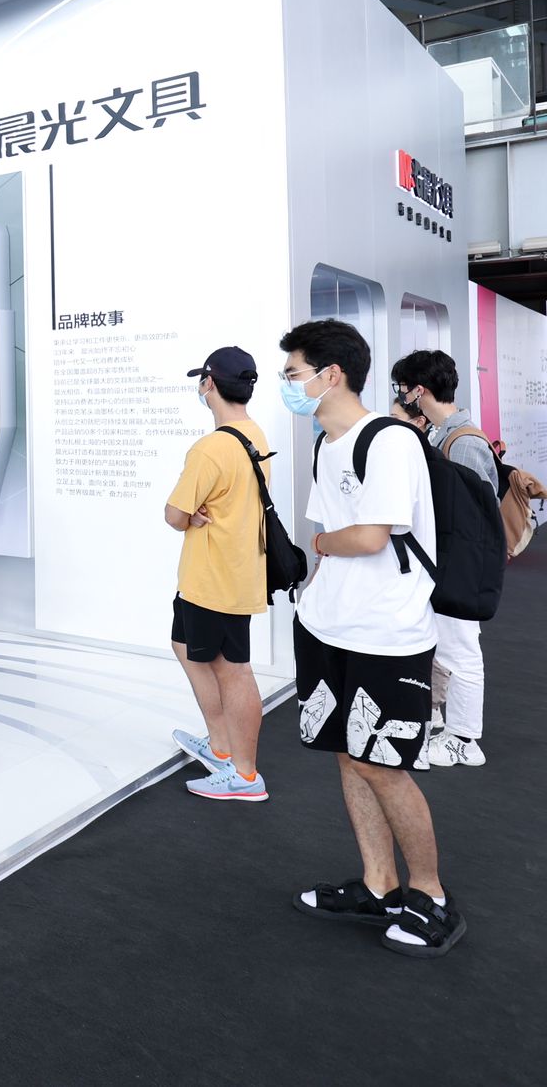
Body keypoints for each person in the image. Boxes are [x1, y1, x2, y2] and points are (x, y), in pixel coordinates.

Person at [281, 320, 463, 957]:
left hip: (387, 633)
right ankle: (379, 884)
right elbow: (333, 540)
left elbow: (365, 536)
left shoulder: (388, 441)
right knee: (347, 753)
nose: (287, 385)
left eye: (293, 373)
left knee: (383, 766)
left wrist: (322, 543)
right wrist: (319, 574)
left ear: (330, 375)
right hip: (328, 626)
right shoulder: (327, 445)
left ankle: (431, 897)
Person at [163, 346, 271, 801]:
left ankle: (245, 776)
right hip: (226, 571)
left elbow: (173, 515)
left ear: (209, 383)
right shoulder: (253, 434)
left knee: (234, 671)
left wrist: (189, 515)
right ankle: (221, 746)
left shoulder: (210, 449)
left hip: (216, 578)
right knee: (185, 646)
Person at [390, 350, 496, 769]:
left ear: (418, 391)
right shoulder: (443, 435)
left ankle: (465, 739)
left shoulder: (464, 442)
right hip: (443, 563)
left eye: (402, 388)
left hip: (460, 564)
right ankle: (441, 722)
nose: (400, 395)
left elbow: (472, 519)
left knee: (462, 649)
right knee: (444, 647)